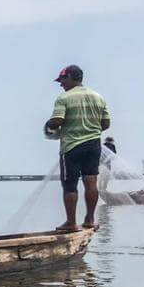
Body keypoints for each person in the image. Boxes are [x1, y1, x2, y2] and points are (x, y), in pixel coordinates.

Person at [45, 64, 110, 232]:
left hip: (72, 146)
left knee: (69, 184)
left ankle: (71, 223)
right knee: (91, 182)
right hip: (93, 145)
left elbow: (57, 121)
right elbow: (106, 124)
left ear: (73, 78)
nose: (61, 84)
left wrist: (48, 126)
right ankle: (89, 220)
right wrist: (89, 129)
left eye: (62, 80)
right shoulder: (98, 97)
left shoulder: (64, 98)